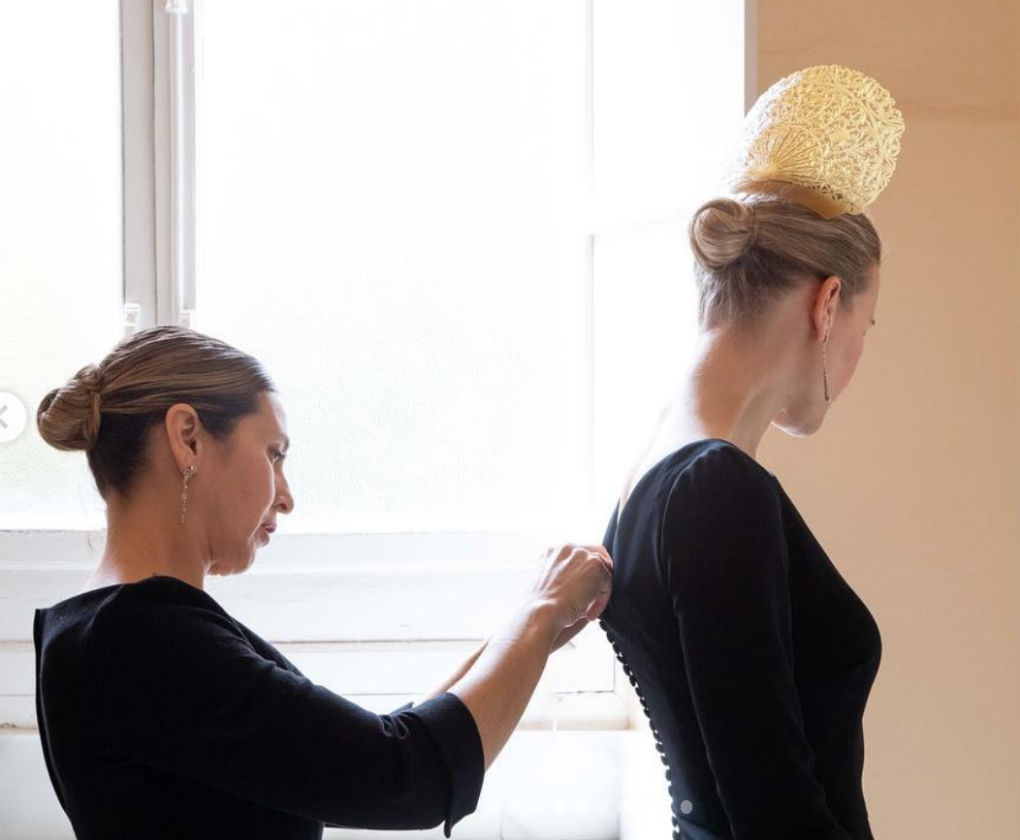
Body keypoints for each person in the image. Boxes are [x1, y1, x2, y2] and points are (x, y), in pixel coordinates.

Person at [33, 324, 613, 839]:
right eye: (274, 454)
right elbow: (404, 776)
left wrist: (528, 634)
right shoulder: (142, 640)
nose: (285, 496)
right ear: (188, 437)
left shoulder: (104, 630)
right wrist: (538, 613)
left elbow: (369, 756)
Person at [598, 66, 905, 839]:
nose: (861, 357)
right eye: (869, 327)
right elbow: (777, 812)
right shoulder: (716, 490)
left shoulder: (658, 471)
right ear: (828, 304)